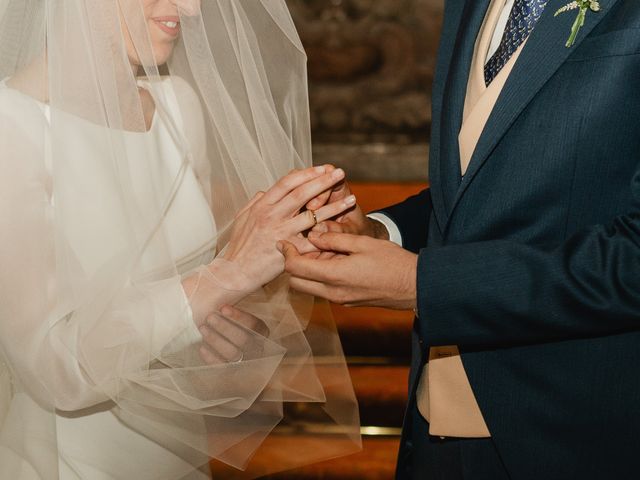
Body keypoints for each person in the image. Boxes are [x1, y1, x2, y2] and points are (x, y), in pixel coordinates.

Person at [0, 0, 360, 478]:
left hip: (180, 458)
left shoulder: (177, 104)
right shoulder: (12, 128)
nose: (190, 9)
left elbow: (180, 303)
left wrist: (227, 328)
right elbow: (53, 373)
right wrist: (224, 278)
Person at [280, 0, 640, 478]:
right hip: (435, 428)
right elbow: (483, 186)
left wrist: (424, 285)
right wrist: (377, 231)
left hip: (577, 435)